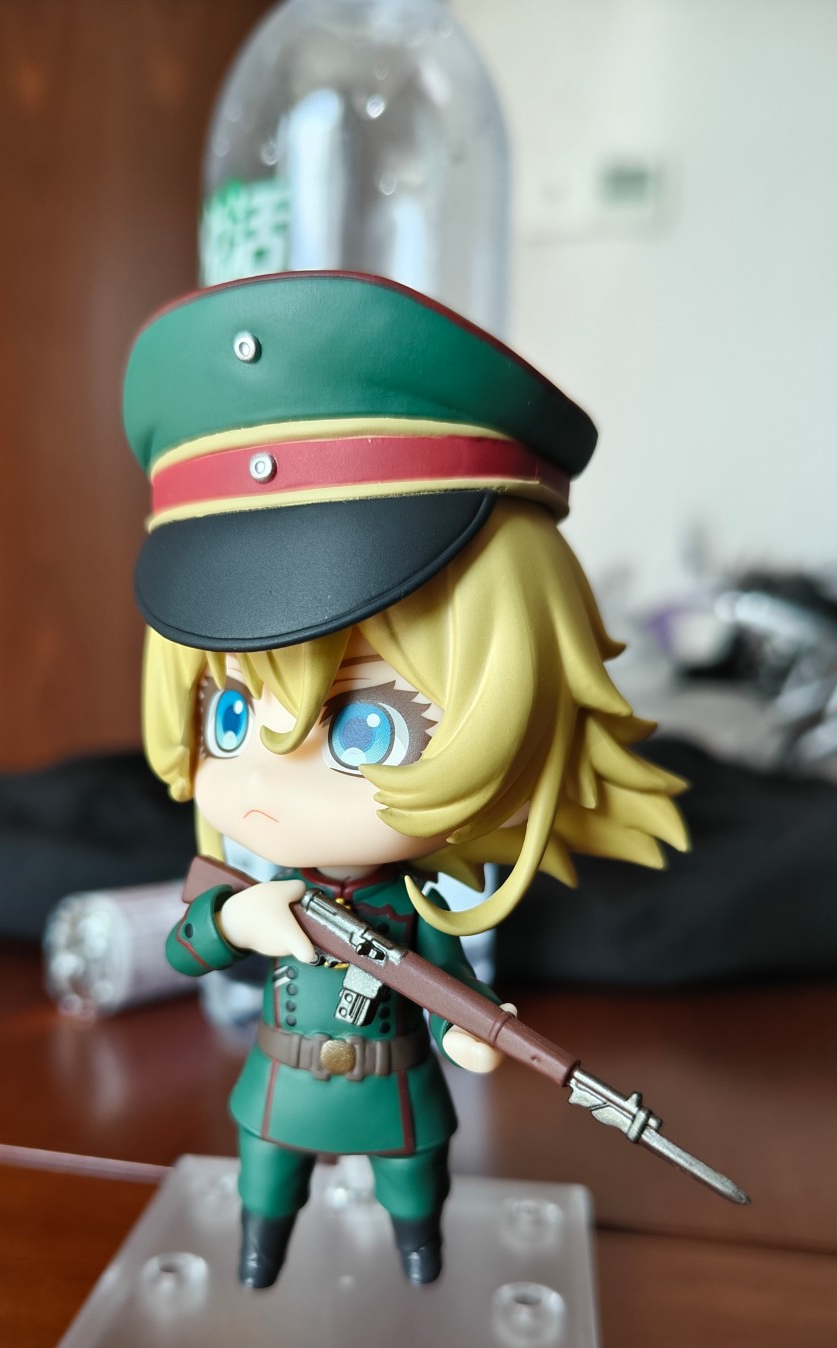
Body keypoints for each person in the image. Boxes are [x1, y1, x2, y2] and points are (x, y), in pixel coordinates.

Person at [124, 271, 686, 1287]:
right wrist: (241, 919)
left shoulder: (408, 908)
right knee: (267, 1190)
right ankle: (258, 1257)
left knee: (415, 1192)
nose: (271, 776)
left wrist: (474, 1035)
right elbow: (189, 940)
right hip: (282, 1087)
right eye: (230, 714)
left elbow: (454, 986)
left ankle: (421, 1259)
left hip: (391, 1088)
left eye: (367, 725)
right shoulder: (261, 888)